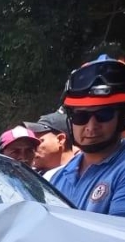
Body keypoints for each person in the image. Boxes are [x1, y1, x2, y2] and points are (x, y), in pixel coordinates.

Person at [50, 55, 125, 215]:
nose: (91, 127)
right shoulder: (59, 176)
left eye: (104, 114)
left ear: (122, 118)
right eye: (81, 116)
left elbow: (117, 238)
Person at [33, 111, 77, 180]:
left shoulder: (76, 177)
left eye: (39, 142)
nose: (32, 148)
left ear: (60, 140)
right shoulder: (32, 173)